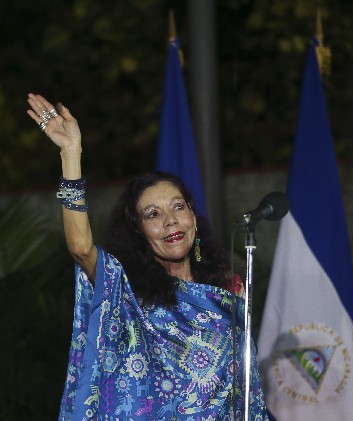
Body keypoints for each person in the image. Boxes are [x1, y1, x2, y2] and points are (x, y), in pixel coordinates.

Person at [26, 94, 269, 420]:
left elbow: (245, 393)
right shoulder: (125, 293)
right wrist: (71, 154)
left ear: (193, 218)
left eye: (178, 207)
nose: (170, 220)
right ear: (139, 231)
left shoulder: (226, 293)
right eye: (153, 214)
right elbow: (82, 248)